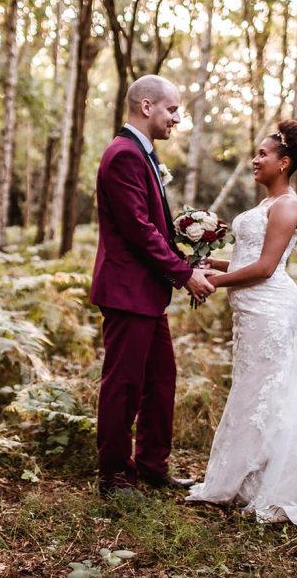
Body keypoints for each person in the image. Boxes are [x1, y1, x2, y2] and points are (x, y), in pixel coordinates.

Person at [185, 119, 297, 532]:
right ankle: (248, 478)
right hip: (252, 313)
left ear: (284, 163)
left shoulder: (286, 206)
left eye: (263, 154)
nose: (255, 160)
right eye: (257, 153)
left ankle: (278, 485)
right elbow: (250, 259)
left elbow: (265, 268)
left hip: (272, 310)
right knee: (253, 389)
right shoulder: (266, 205)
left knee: (274, 393)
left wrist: (211, 281)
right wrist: (214, 263)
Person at [90, 74, 216, 498]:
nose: (177, 119)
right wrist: (183, 274)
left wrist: (189, 251)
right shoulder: (123, 155)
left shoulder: (142, 154)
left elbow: (154, 227)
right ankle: (114, 476)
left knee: (161, 381)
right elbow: (139, 231)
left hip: (145, 294)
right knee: (123, 385)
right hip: (127, 293)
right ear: (147, 107)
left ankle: (150, 466)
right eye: (172, 109)